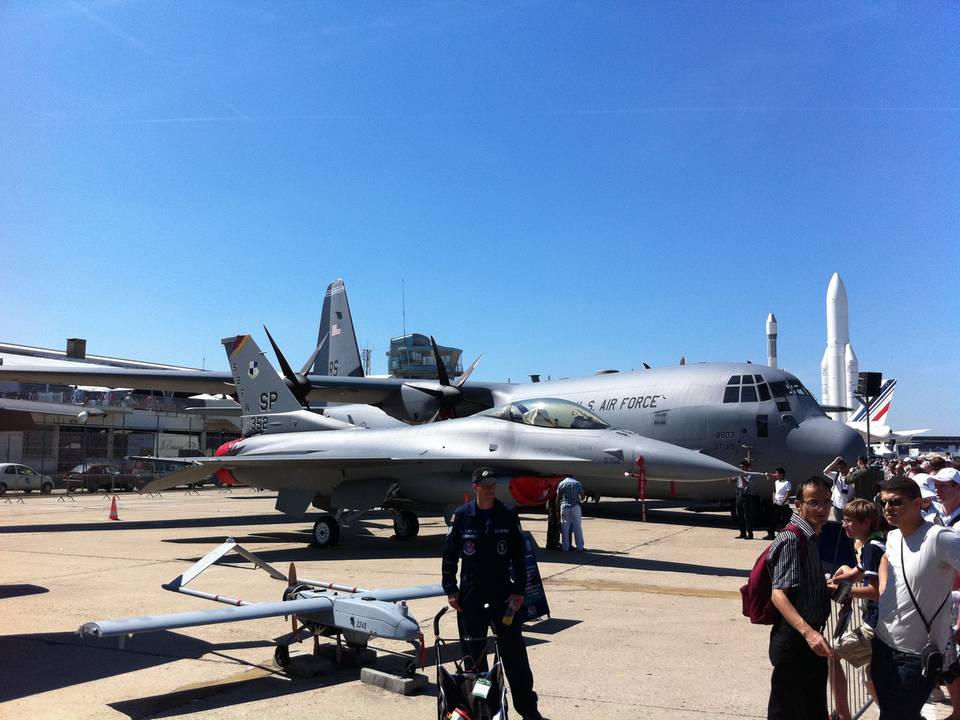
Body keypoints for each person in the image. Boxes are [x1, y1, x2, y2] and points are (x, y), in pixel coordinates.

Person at [441, 467, 544, 720]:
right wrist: (451, 589)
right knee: (475, 661)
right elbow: (450, 555)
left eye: (493, 483)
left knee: (514, 656)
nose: (490, 487)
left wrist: (519, 591)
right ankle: (484, 709)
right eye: (485, 484)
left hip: (503, 598)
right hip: (471, 599)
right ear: (475, 487)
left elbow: (520, 558)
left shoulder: (507, 515)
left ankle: (528, 710)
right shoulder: (463, 516)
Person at [872, 476, 960, 718]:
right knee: (893, 713)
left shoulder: (939, 537)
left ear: (918, 503)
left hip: (917, 654)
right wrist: (883, 588)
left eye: (896, 502)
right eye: (884, 503)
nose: (888, 509)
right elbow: (886, 558)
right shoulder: (893, 537)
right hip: (883, 644)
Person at [766, 475, 834, 720]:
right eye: (814, 502)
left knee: (812, 709)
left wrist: (827, 590)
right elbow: (779, 594)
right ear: (798, 504)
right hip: (796, 640)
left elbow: (799, 585)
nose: (822, 508)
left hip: (809, 639)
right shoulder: (793, 539)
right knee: (786, 711)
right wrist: (809, 633)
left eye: (827, 502)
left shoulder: (811, 536)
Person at [556, 475, 585, 552]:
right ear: (572, 477)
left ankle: (565, 547)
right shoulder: (577, 483)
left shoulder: (561, 483)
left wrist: (557, 510)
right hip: (575, 507)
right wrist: (579, 498)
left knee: (565, 528)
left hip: (564, 507)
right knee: (577, 527)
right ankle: (580, 547)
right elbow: (582, 497)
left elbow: (558, 498)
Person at [765, 468, 792, 540]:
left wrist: (783, 501)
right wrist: (773, 499)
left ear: (781, 474)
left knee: (784, 521)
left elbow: (788, 493)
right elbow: (774, 491)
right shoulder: (776, 482)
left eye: (777, 473)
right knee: (773, 519)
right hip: (776, 504)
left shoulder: (787, 483)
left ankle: (783, 536)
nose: (775, 475)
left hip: (784, 505)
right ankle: (771, 535)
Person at [824, 455, 853, 522]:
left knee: (848, 523)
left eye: (843, 467)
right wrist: (835, 461)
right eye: (839, 468)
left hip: (848, 505)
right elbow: (825, 472)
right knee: (839, 523)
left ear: (846, 467)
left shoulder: (852, 476)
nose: (841, 469)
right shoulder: (836, 475)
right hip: (838, 505)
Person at [734, 459, 756, 540]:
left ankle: (750, 534)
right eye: (740, 467)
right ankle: (742, 533)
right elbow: (730, 482)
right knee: (739, 515)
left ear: (747, 468)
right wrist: (731, 476)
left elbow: (746, 484)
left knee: (747, 516)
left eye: (742, 467)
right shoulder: (739, 475)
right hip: (738, 496)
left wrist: (741, 476)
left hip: (746, 497)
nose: (741, 469)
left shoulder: (750, 476)